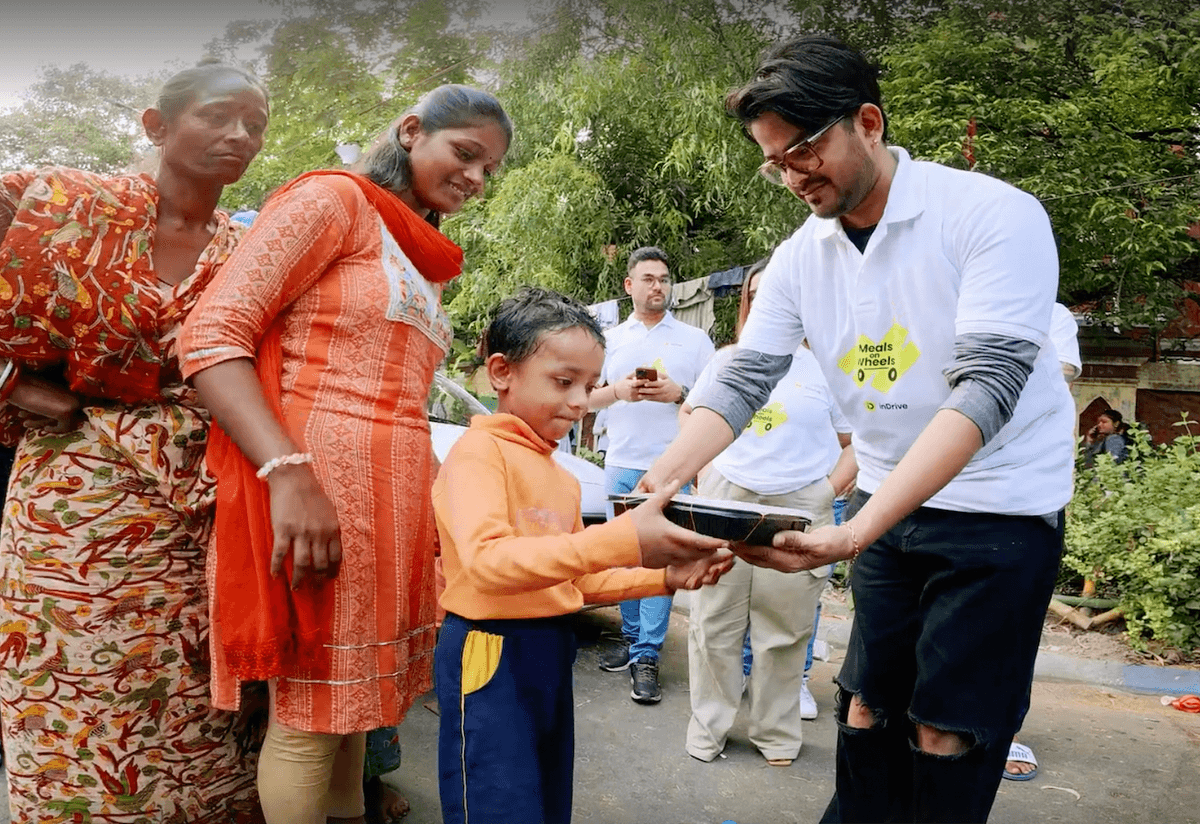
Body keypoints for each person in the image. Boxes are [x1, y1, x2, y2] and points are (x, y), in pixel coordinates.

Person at [639, 34, 1074, 823]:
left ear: (867, 122)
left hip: (1000, 508)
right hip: (885, 496)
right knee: (867, 704)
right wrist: (664, 478)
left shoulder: (991, 215)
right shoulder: (803, 255)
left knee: (946, 729)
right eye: (775, 161)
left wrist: (853, 531)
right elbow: (742, 375)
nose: (792, 175)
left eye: (804, 150)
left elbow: (989, 387)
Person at [177, 84, 511, 824]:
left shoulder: (417, 253)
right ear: (410, 130)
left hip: (393, 504)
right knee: (308, 716)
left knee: (356, 708)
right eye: (466, 154)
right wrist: (289, 476)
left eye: (490, 170)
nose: (477, 180)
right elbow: (210, 336)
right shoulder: (333, 201)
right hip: (317, 492)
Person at [0, 59, 270, 822]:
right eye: (217, 115)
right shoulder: (61, 202)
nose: (239, 134)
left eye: (255, 125)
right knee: (76, 691)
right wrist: (12, 384)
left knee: (197, 701)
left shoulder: (245, 249)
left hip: (199, 509)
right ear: (156, 125)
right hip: (72, 505)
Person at [432, 287, 732, 824]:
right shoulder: (478, 453)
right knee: (496, 802)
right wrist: (622, 538)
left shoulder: (560, 477)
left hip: (550, 647)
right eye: (563, 382)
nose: (578, 401)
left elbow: (574, 586)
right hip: (489, 650)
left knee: (544, 800)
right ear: (502, 372)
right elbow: (486, 563)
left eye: (590, 386)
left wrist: (665, 577)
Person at [681, 259, 856, 766]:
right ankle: (708, 727)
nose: (763, 304)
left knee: (784, 628)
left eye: (775, 295)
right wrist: (704, 472)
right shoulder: (728, 360)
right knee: (713, 622)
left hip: (799, 507)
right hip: (726, 498)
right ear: (745, 304)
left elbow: (858, 441)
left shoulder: (828, 365)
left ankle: (775, 733)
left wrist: (826, 490)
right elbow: (692, 414)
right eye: (753, 296)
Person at [588, 246, 716, 703]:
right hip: (620, 462)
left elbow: (715, 402)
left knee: (661, 557)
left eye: (663, 278)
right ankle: (630, 636)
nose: (657, 286)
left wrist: (678, 392)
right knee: (622, 555)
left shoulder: (696, 341)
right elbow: (584, 400)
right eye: (647, 278)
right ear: (629, 286)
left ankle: (648, 654)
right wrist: (619, 390)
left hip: (672, 465)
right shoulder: (609, 340)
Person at [1005, 301, 1081, 783]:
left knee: (1011, 627)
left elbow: (1061, 373)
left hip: (1024, 497)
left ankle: (1002, 732)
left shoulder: (1050, 313)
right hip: (932, 489)